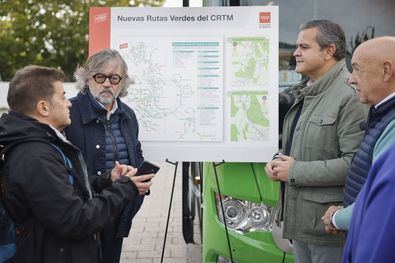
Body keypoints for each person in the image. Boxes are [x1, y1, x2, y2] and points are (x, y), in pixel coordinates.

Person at [0, 65, 154, 263]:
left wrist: (108, 180)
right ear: (43, 108)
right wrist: (127, 188)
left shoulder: (43, 143)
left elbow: (64, 188)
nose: (69, 104)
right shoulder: (34, 156)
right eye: (63, 97)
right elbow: (75, 220)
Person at [265, 20, 367, 263]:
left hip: (328, 230)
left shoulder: (349, 95)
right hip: (302, 224)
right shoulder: (306, 91)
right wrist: (277, 163)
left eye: (304, 46)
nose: (295, 52)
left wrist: (294, 170)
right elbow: (301, 145)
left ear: (329, 51)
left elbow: (355, 164)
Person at [64, 49, 147, 263]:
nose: (107, 83)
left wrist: (137, 177)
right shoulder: (68, 113)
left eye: (114, 77)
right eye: (100, 76)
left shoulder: (128, 114)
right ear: (87, 78)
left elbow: (135, 151)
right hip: (83, 214)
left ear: (123, 82)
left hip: (119, 209)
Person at [322, 36, 395, 234]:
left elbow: (381, 199)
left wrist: (338, 218)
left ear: (386, 71)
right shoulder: (382, 113)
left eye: (357, 69)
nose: (351, 78)